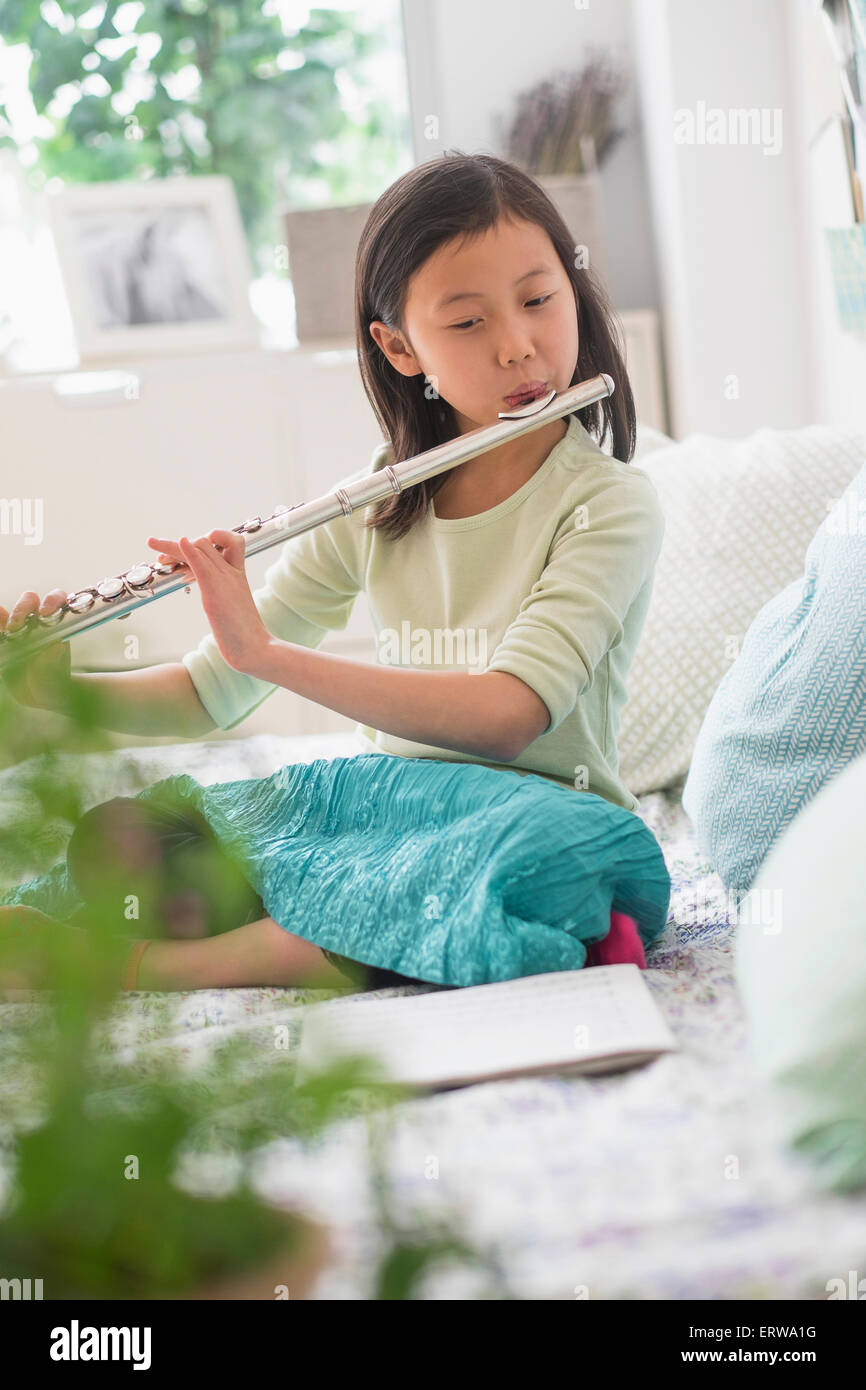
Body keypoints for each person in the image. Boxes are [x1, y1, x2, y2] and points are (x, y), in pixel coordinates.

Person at [0, 152, 665, 993]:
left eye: (538, 300)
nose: (517, 346)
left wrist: (269, 657)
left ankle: (144, 967)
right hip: (388, 809)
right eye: (467, 323)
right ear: (399, 348)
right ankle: (330, 920)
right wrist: (59, 690)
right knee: (133, 835)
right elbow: (211, 695)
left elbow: (508, 718)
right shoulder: (380, 496)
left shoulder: (609, 504)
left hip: (533, 814)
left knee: (551, 860)